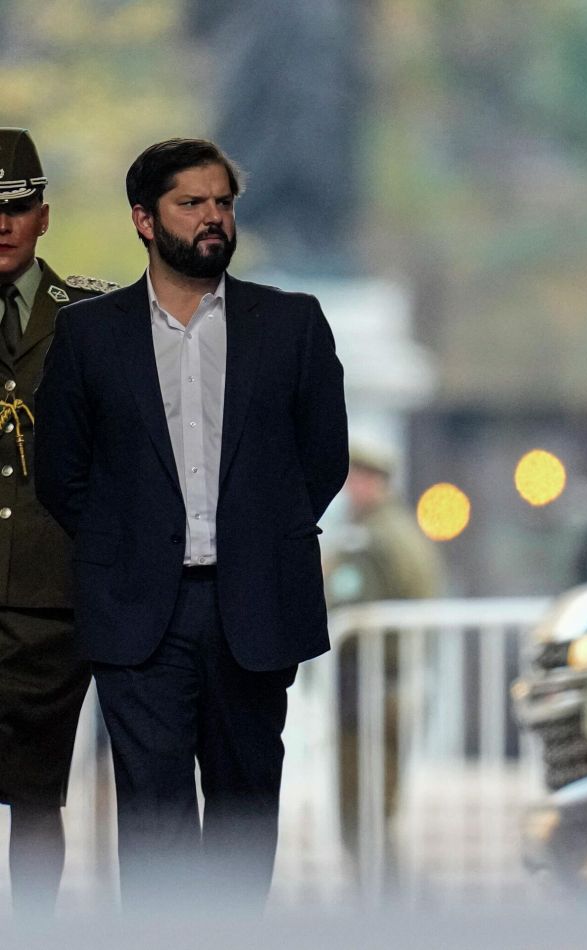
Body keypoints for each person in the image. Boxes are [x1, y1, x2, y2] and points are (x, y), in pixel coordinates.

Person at [34, 138, 348, 914]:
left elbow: (323, 460)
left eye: (223, 202)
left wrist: (260, 536)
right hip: (139, 611)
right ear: (144, 219)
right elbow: (61, 473)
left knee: (246, 808)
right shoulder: (89, 334)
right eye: (191, 203)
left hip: (254, 604)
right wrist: (127, 546)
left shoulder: (292, 324)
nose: (213, 217)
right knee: (153, 819)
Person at [0, 128, 116, 916]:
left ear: (43, 216)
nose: (2, 225)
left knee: (37, 794)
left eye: (17, 208)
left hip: (52, 594)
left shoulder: (93, 319)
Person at [325, 442, 443, 882]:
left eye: (354, 478)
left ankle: (388, 907)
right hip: (392, 684)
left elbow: (345, 602)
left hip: (370, 687)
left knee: (360, 811)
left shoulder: (370, 539)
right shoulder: (401, 530)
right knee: (377, 807)